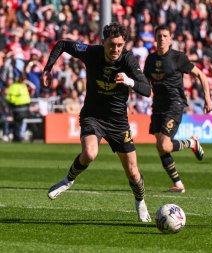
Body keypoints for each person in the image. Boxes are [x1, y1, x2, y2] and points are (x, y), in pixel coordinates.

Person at [41, 22, 152, 222]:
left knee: (134, 174)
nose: (116, 49)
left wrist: (129, 81)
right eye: (112, 45)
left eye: (119, 45)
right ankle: (68, 180)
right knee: (90, 153)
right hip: (93, 115)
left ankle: (140, 201)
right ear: (103, 42)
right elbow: (62, 45)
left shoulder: (127, 59)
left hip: (118, 121)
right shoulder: (91, 53)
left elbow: (147, 89)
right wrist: (48, 69)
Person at [144, 25, 212, 193]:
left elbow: (201, 75)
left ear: (170, 39)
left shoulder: (178, 57)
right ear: (155, 38)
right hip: (157, 106)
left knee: (165, 145)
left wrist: (208, 99)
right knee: (160, 146)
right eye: (159, 35)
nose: (162, 38)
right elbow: (145, 82)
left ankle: (192, 142)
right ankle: (178, 183)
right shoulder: (150, 59)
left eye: (165, 36)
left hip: (175, 104)